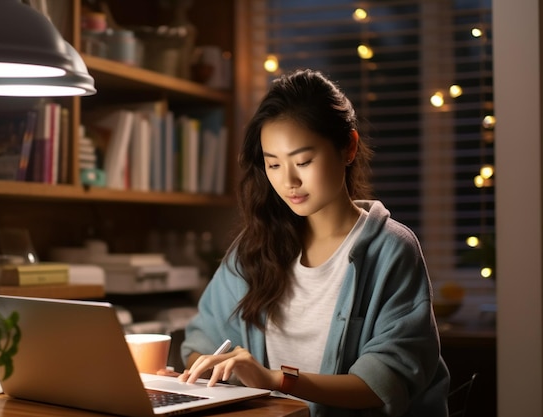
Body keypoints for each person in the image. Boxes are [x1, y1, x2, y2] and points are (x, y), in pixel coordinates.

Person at [178, 69, 450, 416]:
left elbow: (385, 382)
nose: (289, 180)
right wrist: (210, 366)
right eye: (273, 164)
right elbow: (200, 343)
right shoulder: (257, 244)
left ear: (348, 147)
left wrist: (276, 380)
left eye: (303, 161)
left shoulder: (391, 249)